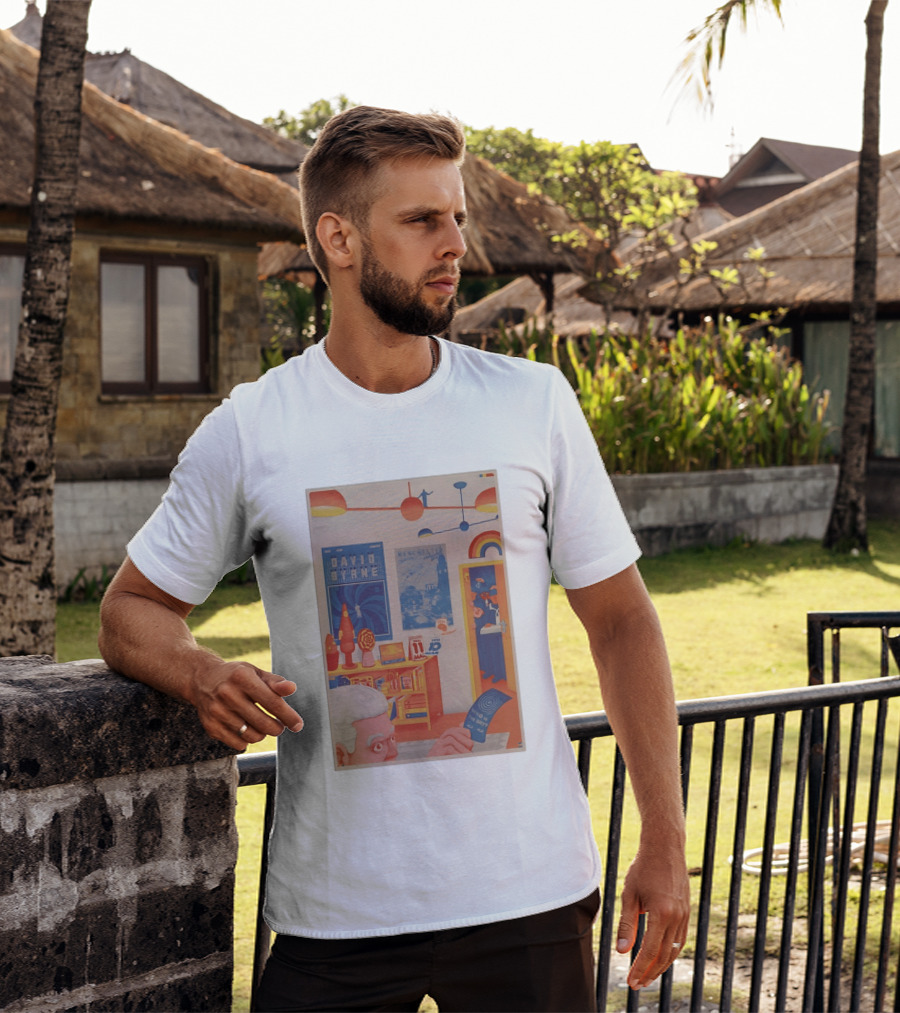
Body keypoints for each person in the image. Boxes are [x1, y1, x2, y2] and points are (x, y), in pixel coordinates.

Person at [99, 105, 690, 1012]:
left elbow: (621, 621)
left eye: (457, 216)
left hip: (530, 894)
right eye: (421, 220)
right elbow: (128, 610)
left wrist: (664, 837)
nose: (454, 243)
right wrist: (200, 672)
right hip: (336, 912)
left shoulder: (532, 403)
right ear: (338, 238)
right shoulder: (254, 429)